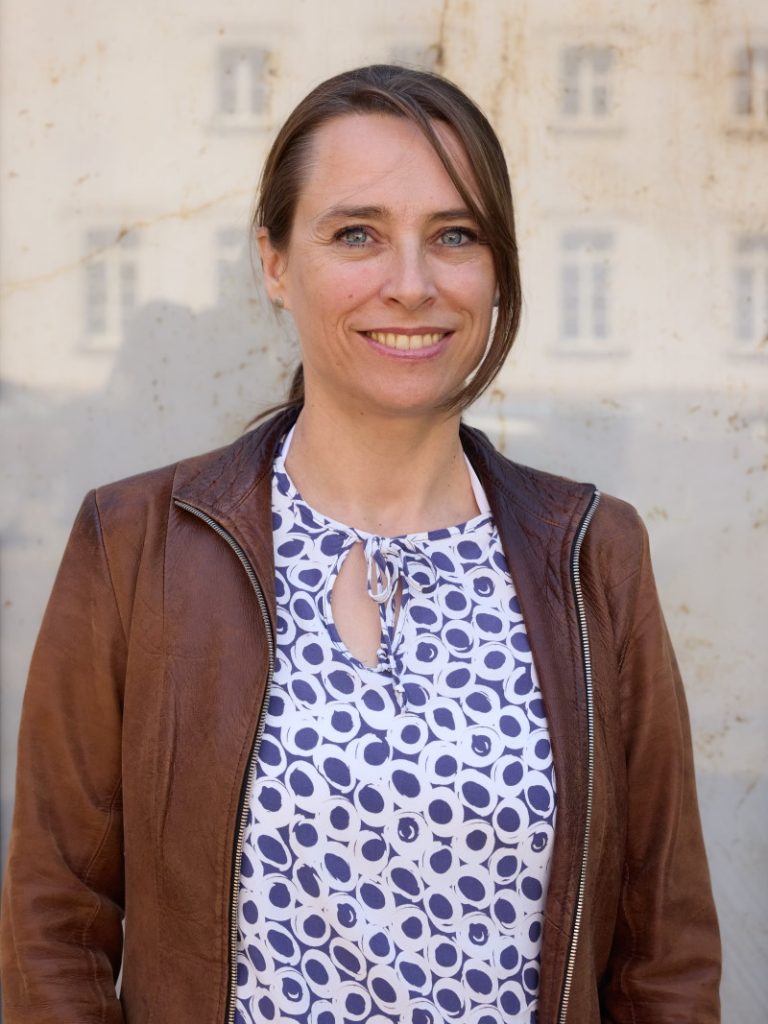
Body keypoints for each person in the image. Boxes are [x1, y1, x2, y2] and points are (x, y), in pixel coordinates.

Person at [0, 64, 720, 1023]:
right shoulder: (134, 546)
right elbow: (57, 923)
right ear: (274, 260)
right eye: (357, 234)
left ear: (497, 265)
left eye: (454, 235)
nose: (411, 284)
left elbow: (661, 954)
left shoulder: (591, 552)